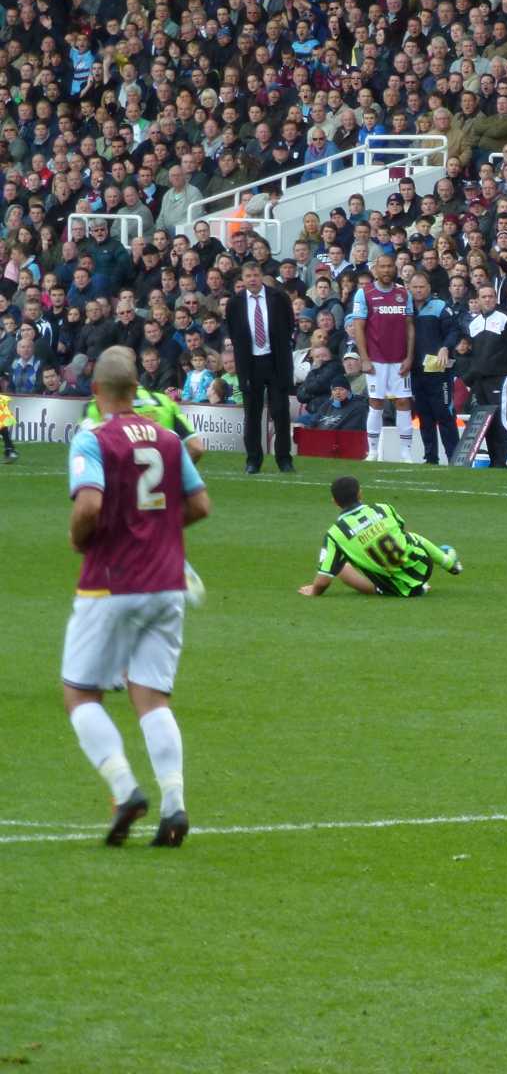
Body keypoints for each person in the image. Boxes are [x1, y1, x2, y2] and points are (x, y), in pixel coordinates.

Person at [60, 347, 211, 848]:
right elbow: (200, 504)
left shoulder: (93, 437)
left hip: (111, 582)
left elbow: (89, 504)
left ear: (97, 392)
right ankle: (175, 804)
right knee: (151, 697)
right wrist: (162, 533)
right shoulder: (168, 438)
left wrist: (82, 539)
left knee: (80, 693)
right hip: (166, 583)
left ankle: (125, 790)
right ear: (136, 389)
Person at [297, 475, 462, 597]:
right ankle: (448, 562)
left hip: (394, 588)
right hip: (423, 567)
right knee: (411, 537)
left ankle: (400, 587)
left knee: (341, 567)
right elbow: (402, 532)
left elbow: (324, 580)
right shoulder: (383, 508)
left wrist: (314, 590)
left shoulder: (335, 534)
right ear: (360, 494)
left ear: (334, 501)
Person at [224, 266, 296, 473]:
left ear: (261, 277)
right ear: (243, 279)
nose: (253, 279)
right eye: (248, 276)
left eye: (256, 275)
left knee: (280, 412)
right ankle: (253, 460)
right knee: (252, 415)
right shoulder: (235, 303)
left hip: (275, 362)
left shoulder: (278, 297)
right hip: (250, 364)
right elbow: (233, 331)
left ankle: (284, 459)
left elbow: (290, 325)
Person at [349, 254, 416, 462]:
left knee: (403, 402)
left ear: (394, 269)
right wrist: (365, 358)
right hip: (376, 359)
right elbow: (359, 327)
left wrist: (410, 356)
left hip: (399, 359)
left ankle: (406, 451)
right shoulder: (364, 293)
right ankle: (374, 451)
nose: (386, 270)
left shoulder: (404, 294)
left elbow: (410, 327)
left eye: (389, 266)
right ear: (375, 270)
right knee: (376, 402)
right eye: (382, 267)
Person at [461, 283, 507, 468]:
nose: (488, 299)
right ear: (478, 300)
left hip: (501, 377)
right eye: (484, 297)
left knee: (502, 420)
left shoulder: (506, 319)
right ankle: (494, 460)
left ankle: (502, 460)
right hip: (481, 380)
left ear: (496, 299)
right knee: (486, 422)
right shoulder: (473, 324)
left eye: (491, 296)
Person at [83, 382, 206, 465]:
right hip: (164, 494)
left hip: (124, 494)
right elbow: (196, 448)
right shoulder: (164, 401)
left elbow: (86, 449)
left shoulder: (97, 405)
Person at [409, 272, 462, 464]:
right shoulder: (406, 308)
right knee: (424, 417)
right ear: (409, 288)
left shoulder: (440, 306)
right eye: (415, 287)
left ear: (429, 288)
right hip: (415, 372)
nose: (418, 290)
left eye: (422, 287)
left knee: (445, 416)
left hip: (438, 371)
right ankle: (430, 457)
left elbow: (454, 330)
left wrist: (445, 348)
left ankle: (454, 457)